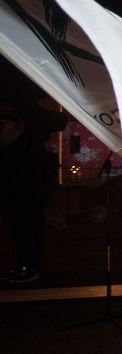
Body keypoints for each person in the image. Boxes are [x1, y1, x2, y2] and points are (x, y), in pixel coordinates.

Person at [0, 91, 67, 283]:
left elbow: (57, 120)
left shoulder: (24, 118)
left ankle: (28, 266)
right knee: (23, 226)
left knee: (26, 225)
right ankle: (26, 265)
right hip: (22, 181)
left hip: (24, 182)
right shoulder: (24, 120)